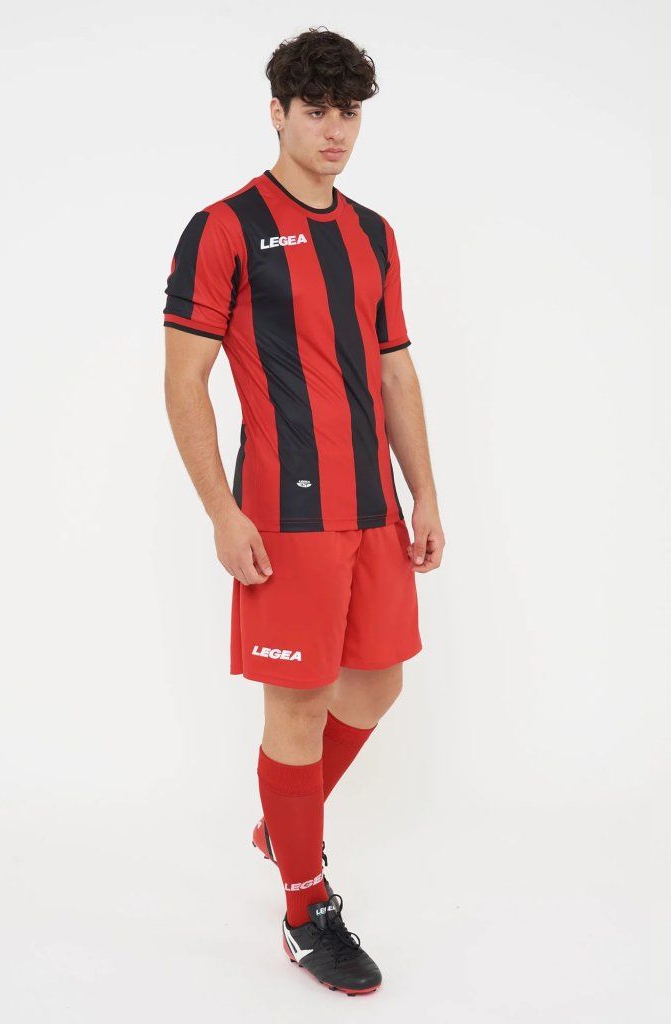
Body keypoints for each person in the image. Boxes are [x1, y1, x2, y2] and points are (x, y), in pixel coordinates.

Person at [162, 27, 445, 996]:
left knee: (376, 687)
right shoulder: (223, 228)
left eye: (348, 112)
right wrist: (220, 511)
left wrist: (424, 491)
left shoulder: (373, 233)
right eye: (315, 110)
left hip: (372, 506)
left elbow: (396, 372)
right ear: (276, 113)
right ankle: (302, 904)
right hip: (284, 510)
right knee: (296, 700)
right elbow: (185, 381)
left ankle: (282, 825)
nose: (334, 130)